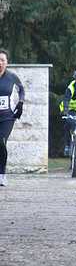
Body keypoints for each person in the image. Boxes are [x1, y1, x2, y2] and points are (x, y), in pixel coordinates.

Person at [0, 49, 25, 187]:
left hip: (7, 117)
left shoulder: (12, 77)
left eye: (2, 60)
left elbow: (21, 89)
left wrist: (20, 103)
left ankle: (2, 175)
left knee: (1, 141)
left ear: (6, 62)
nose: (0, 63)